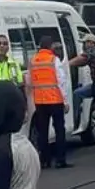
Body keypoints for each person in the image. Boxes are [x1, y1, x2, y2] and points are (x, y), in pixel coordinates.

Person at [28, 36, 71, 169]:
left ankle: (44, 160)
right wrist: (65, 100)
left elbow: (30, 80)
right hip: (55, 99)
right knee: (59, 130)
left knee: (42, 132)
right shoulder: (54, 60)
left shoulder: (33, 60)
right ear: (50, 46)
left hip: (40, 101)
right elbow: (61, 81)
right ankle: (60, 160)